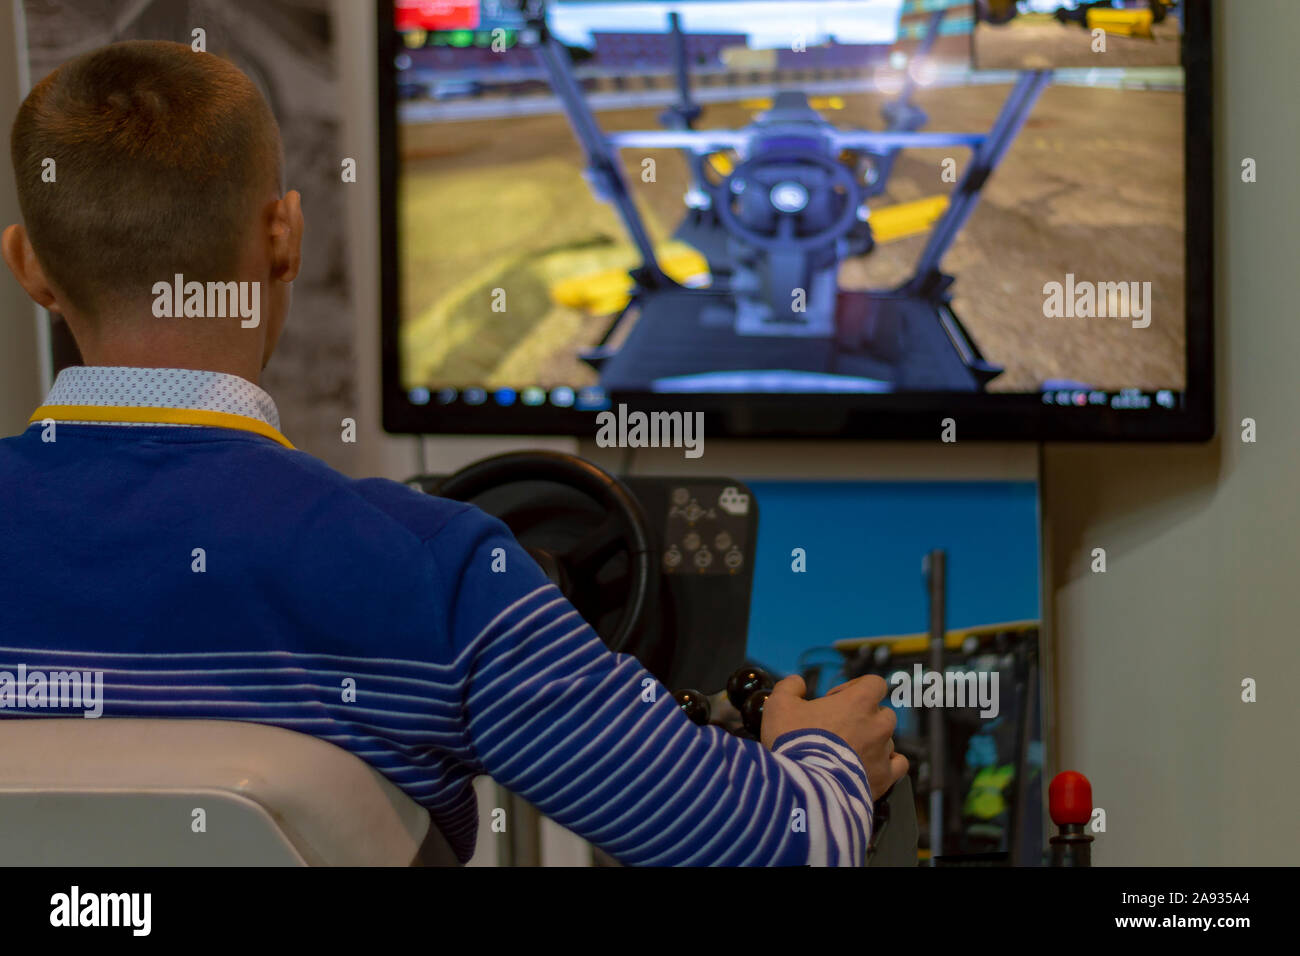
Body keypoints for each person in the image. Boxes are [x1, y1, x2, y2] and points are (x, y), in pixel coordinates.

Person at [0, 40, 907, 865]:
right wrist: (825, 753)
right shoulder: (440, 572)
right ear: (284, 234)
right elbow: (776, 846)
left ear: (29, 264)